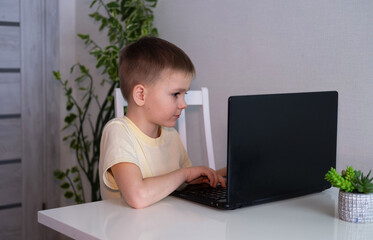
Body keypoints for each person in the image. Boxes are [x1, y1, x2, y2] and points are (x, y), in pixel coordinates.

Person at [99, 36, 226, 209]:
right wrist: (185, 173)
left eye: (185, 95)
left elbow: (179, 184)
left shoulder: (171, 136)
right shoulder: (118, 132)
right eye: (176, 94)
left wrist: (220, 173)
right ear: (141, 95)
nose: (183, 104)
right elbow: (138, 197)